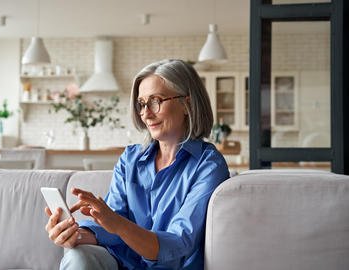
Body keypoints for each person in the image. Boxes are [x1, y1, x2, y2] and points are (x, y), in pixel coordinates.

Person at [45, 59, 230, 269]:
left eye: (155, 101)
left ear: (186, 104)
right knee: (78, 256)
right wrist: (75, 234)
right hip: (123, 264)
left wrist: (117, 224)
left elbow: (179, 243)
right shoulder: (130, 159)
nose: (145, 114)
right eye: (142, 104)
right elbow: (112, 226)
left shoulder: (208, 165)